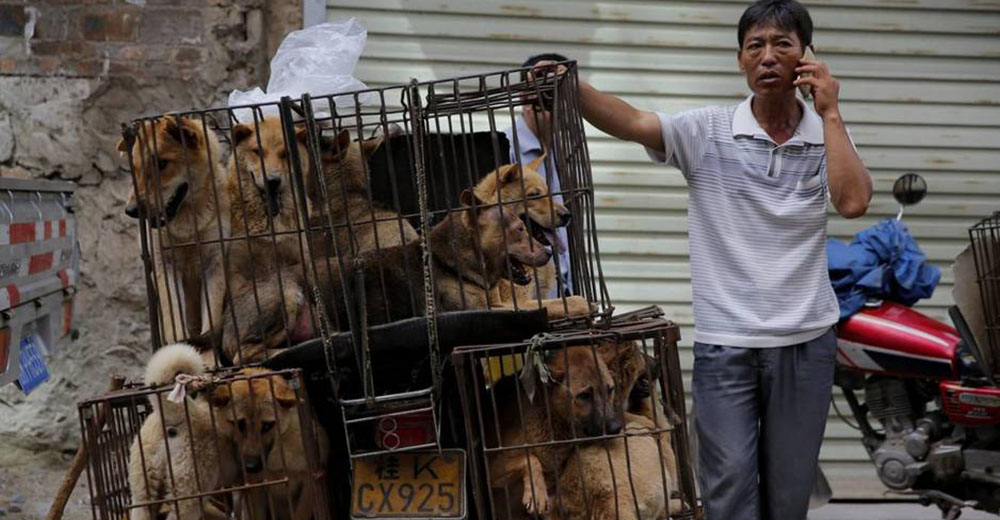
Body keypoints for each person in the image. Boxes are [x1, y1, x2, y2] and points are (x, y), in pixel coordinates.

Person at [550, 1, 873, 519]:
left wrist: (831, 112)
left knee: (789, 496)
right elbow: (633, 121)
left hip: (806, 343)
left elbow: (854, 201)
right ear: (740, 60)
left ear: (806, 58)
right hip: (728, 344)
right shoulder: (708, 131)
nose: (768, 56)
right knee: (727, 492)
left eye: (783, 44)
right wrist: (571, 85)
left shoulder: (825, 135)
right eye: (755, 46)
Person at [503, 53, 572, 298]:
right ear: (524, 95)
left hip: (565, 290)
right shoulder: (504, 149)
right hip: (529, 294)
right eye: (547, 94)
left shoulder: (569, 153)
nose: (555, 105)